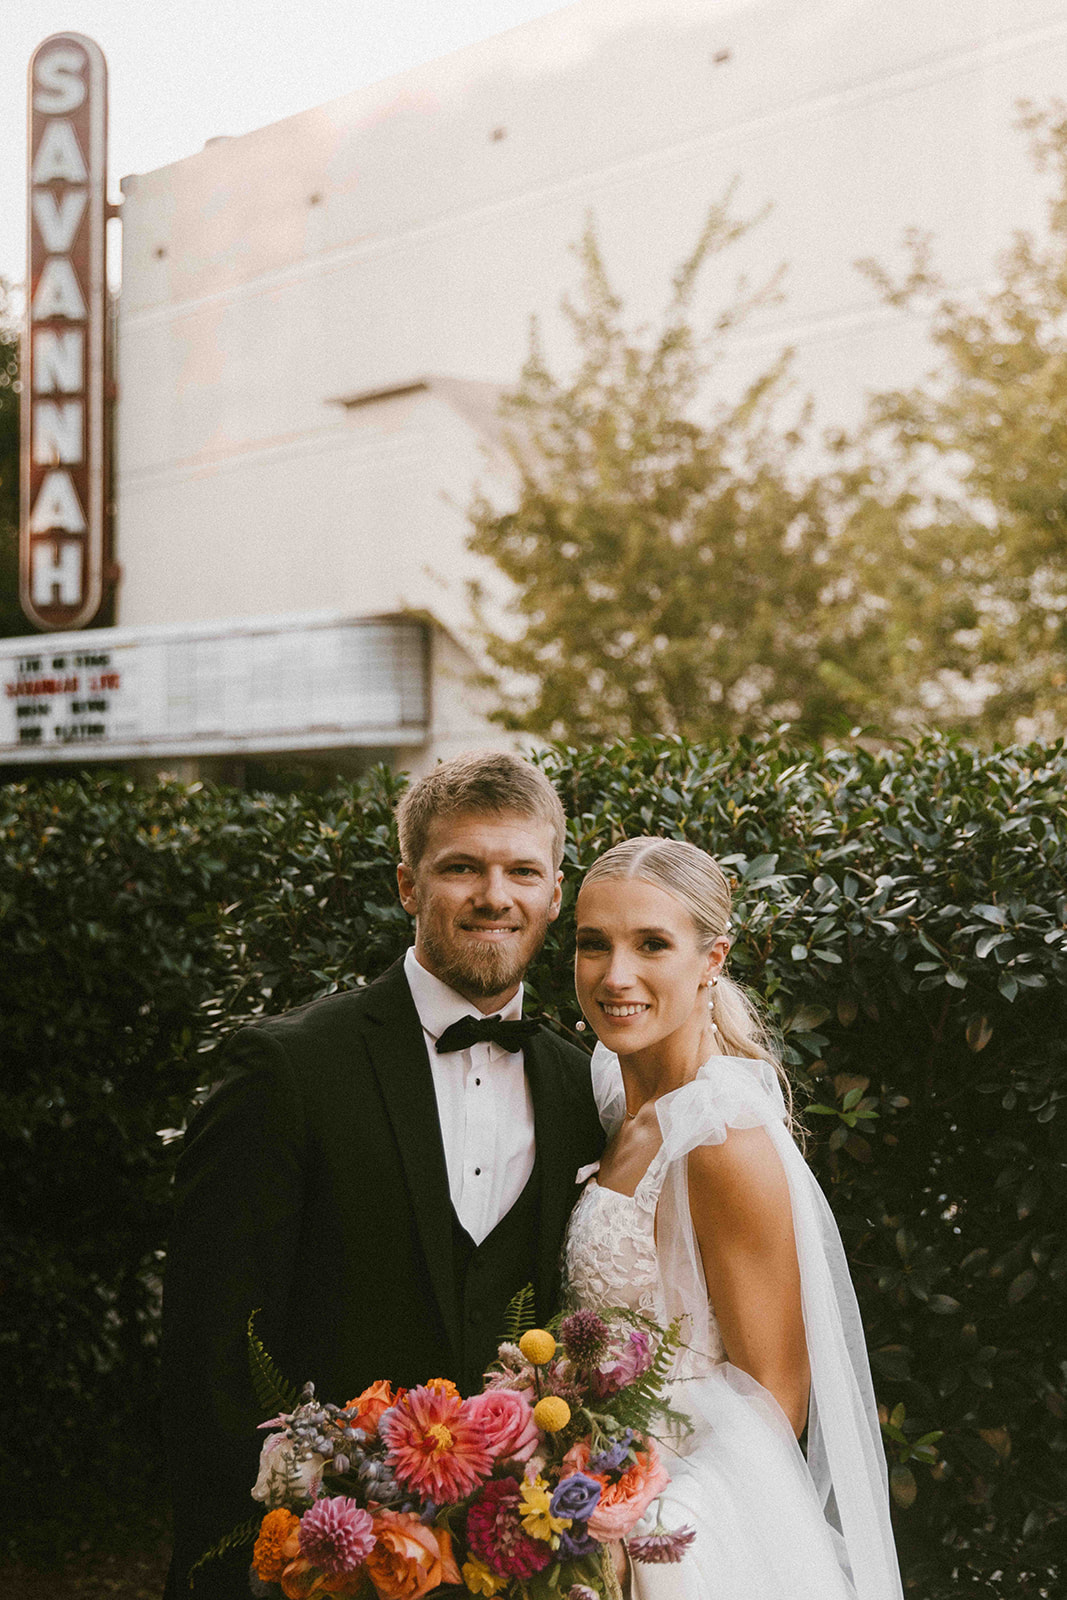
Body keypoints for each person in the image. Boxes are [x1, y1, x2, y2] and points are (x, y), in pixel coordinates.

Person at [161, 750, 604, 1598]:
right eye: (460, 868)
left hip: (514, 1568)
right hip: (315, 1568)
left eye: (522, 870)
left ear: (554, 893)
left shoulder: (583, 1085)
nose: (493, 895)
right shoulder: (286, 1069)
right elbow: (205, 1357)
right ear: (408, 885)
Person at [563, 837, 904, 1600]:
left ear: (712, 957)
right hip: (589, 1494)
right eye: (593, 945)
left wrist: (651, 1531)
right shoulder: (616, 1102)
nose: (615, 976)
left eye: (652, 944)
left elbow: (775, 1397)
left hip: (684, 1532)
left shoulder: (719, 1137)